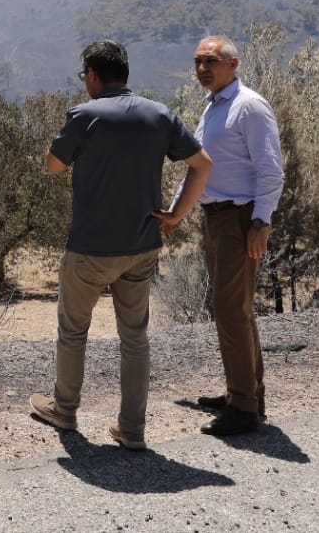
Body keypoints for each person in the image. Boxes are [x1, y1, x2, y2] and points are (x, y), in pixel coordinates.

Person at [29, 40, 213, 450]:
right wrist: (176, 215)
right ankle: (132, 430)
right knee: (135, 338)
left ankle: (65, 410)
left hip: (91, 247)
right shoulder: (159, 114)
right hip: (142, 244)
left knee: (73, 332)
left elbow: (53, 165)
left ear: (93, 74)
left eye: (85, 77)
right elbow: (202, 165)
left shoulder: (85, 115)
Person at [160, 35, 285, 438]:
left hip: (240, 219)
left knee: (231, 311)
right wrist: (176, 214)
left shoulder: (249, 106)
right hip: (217, 219)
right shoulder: (213, 108)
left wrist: (261, 221)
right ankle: (244, 395)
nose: (202, 69)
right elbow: (201, 169)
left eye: (211, 61)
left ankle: (244, 408)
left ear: (234, 63)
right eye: (197, 62)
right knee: (235, 310)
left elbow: (271, 170)